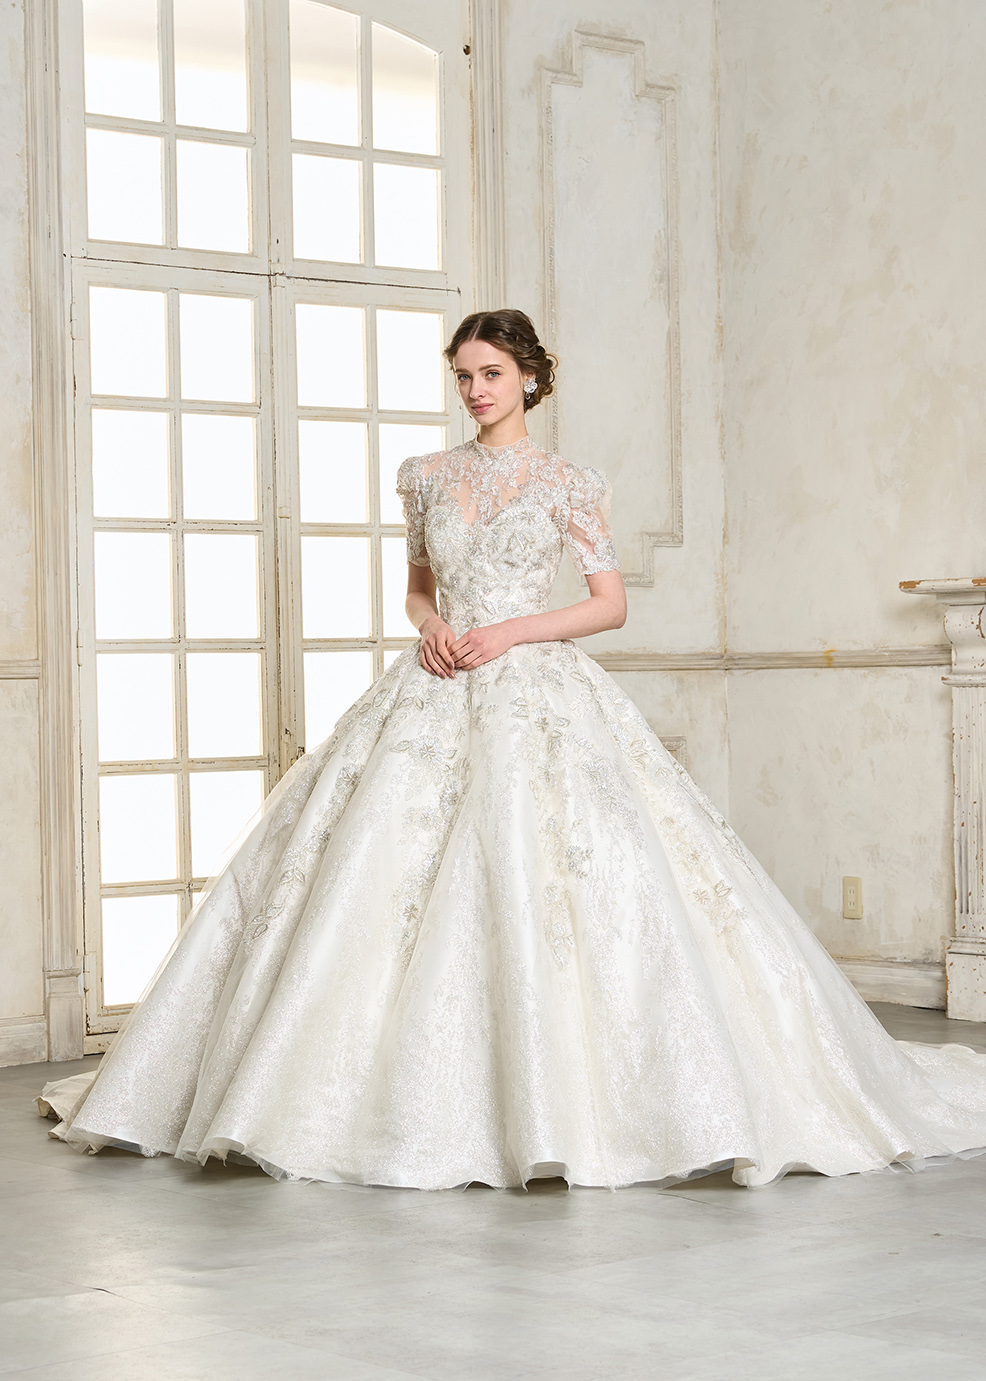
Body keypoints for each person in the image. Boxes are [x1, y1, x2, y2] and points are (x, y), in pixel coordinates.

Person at [38, 309, 986, 1191]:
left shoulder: (570, 482)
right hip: (437, 681)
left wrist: (511, 632)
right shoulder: (424, 475)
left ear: (531, 377)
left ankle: (572, 1101)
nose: (475, 390)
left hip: (533, 683)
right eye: (463, 375)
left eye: (491, 373)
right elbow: (418, 589)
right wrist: (430, 628)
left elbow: (610, 604)